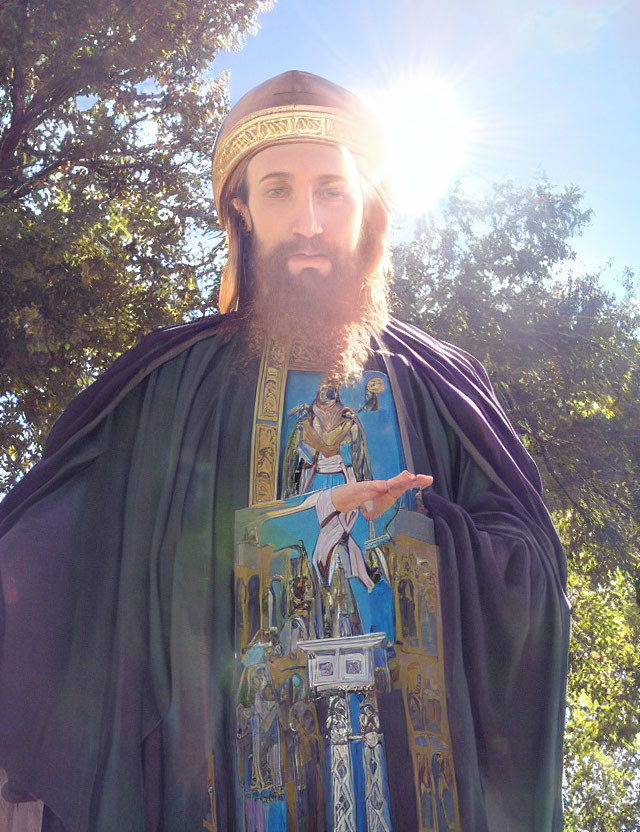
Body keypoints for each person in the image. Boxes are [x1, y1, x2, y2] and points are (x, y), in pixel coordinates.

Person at [0, 70, 569, 832]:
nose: (307, 219)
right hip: (220, 788)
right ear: (241, 210)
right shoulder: (167, 385)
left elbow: (531, 575)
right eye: (278, 190)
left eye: (331, 190)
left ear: (367, 205)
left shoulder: (440, 381)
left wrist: (418, 535)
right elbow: (49, 565)